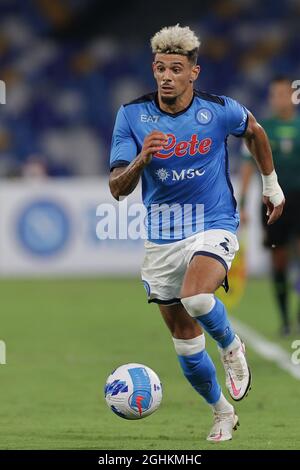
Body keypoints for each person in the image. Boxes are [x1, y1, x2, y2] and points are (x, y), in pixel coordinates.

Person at [109, 25, 284, 442]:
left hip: (214, 223)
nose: (166, 76)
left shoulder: (218, 109)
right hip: (161, 238)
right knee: (186, 345)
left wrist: (271, 185)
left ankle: (231, 346)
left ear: (193, 73)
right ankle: (222, 413)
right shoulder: (131, 116)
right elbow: (117, 188)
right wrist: (140, 160)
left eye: (175, 69)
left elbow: (255, 131)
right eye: (159, 68)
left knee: (198, 297)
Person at [240, 76, 300, 336]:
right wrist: (242, 203)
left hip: (299, 199)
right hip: (273, 200)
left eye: (283, 93)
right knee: (279, 260)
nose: (279, 99)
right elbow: (246, 167)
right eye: (274, 94)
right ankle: (286, 319)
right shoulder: (262, 129)